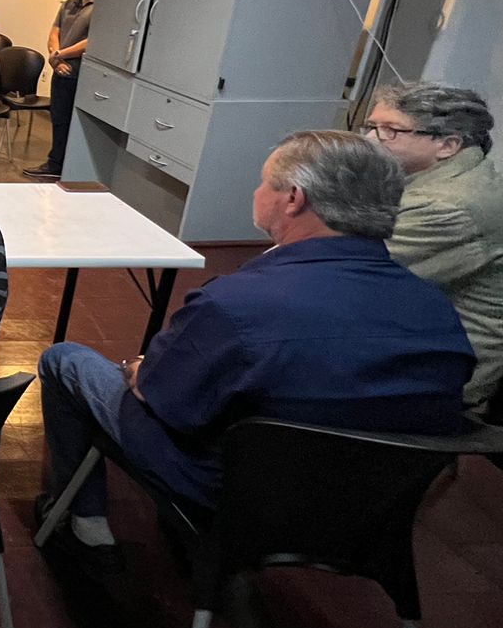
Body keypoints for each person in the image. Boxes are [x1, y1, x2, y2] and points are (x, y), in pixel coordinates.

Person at [37, 131, 474, 570]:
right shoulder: (437, 310)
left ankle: (84, 525)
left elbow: (164, 402)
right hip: (368, 509)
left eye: (264, 181)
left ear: (294, 198)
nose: (255, 191)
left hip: (230, 490)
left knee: (66, 359)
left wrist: (140, 371)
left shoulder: (235, 305)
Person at [366, 83, 503, 413]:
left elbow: (349, 274)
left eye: (390, 130)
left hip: (438, 374)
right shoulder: (454, 178)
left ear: (447, 145)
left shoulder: (447, 206)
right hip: (414, 342)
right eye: (371, 126)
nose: (371, 139)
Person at [25, 0, 99, 180]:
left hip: (82, 74)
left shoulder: (103, 9)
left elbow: (92, 41)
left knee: (77, 123)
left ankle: (73, 167)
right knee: (59, 119)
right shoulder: (68, 4)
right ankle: (55, 163)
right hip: (61, 71)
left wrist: (60, 55)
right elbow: (54, 32)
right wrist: (56, 59)